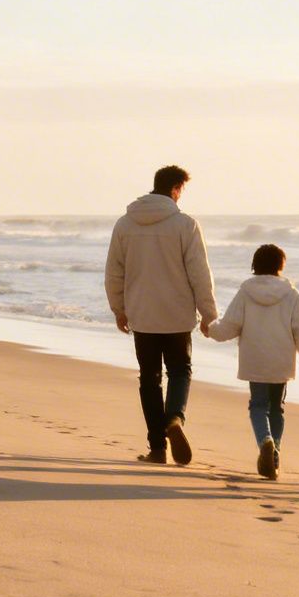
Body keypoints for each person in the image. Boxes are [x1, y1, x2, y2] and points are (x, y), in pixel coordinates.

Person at [105, 165, 218, 465]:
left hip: (142, 315)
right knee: (180, 371)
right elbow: (200, 274)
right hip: (178, 315)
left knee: (150, 379)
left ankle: (157, 449)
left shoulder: (125, 224)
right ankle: (175, 418)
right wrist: (209, 314)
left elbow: (114, 271)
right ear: (177, 188)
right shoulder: (186, 225)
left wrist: (119, 308)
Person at [208, 243, 299, 480]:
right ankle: (275, 452)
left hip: (255, 359)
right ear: (281, 265)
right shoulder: (291, 294)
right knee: (277, 407)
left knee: (258, 406)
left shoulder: (246, 292)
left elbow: (230, 325)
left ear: (255, 265)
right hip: (280, 360)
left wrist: (211, 329)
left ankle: (265, 441)